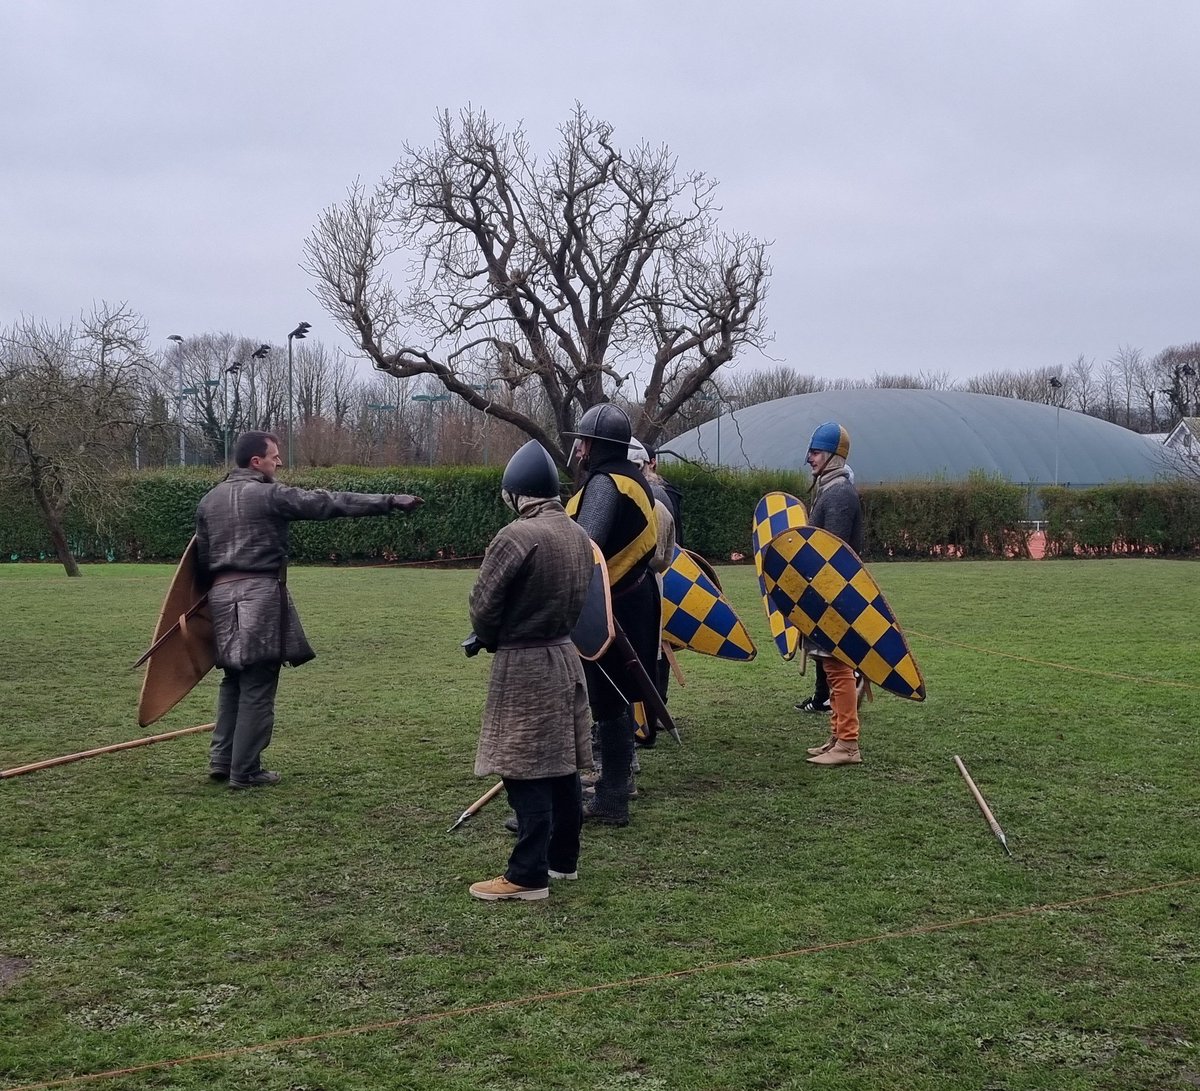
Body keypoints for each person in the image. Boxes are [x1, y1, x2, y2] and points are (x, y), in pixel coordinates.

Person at [195, 430, 422, 790]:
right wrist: (389, 500)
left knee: (233, 678)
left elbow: (201, 562)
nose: (279, 462)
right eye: (274, 457)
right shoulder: (270, 494)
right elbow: (329, 502)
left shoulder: (209, 501)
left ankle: (222, 761)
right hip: (259, 595)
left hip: (220, 598)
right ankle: (246, 771)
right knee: (258, 680)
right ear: (257, 462)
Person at [465, 440, 595, 902]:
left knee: (523, 767)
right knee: (560, 764)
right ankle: (563, 860)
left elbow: (482, 607)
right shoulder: (579, 535)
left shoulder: (516, 536)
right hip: (564, 656)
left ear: (517, 493)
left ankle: (527, 875)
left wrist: (490, 633)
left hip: (524, 663)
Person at [562, 404, 660, 826]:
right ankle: (612, 788)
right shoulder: (633, 478)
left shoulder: (607, 484)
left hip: (612, 606)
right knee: (613, 701)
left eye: (583, 442)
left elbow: (585, 549)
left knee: (608, 702)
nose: (579, 449)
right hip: (629, 599)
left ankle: (611, 799)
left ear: (596, 445)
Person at [801, 420, 866, 767]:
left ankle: (848, 743)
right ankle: (837, 735)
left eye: (816, 452)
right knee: (831, 667)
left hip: (836, 597)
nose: (809, 458)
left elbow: (832, 552)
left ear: (833, 456)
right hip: (827, 597)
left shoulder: (839, 493)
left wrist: (820, 596)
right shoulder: (829, 489)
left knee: (839, 669)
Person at [628, 438, 676, 748]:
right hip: (648, 583)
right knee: (652, 650)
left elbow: (662, 553)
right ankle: (651, 716)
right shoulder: (657, 493)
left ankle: (647, 719)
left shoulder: (652, 497)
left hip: (638, 585)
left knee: (644, 654)